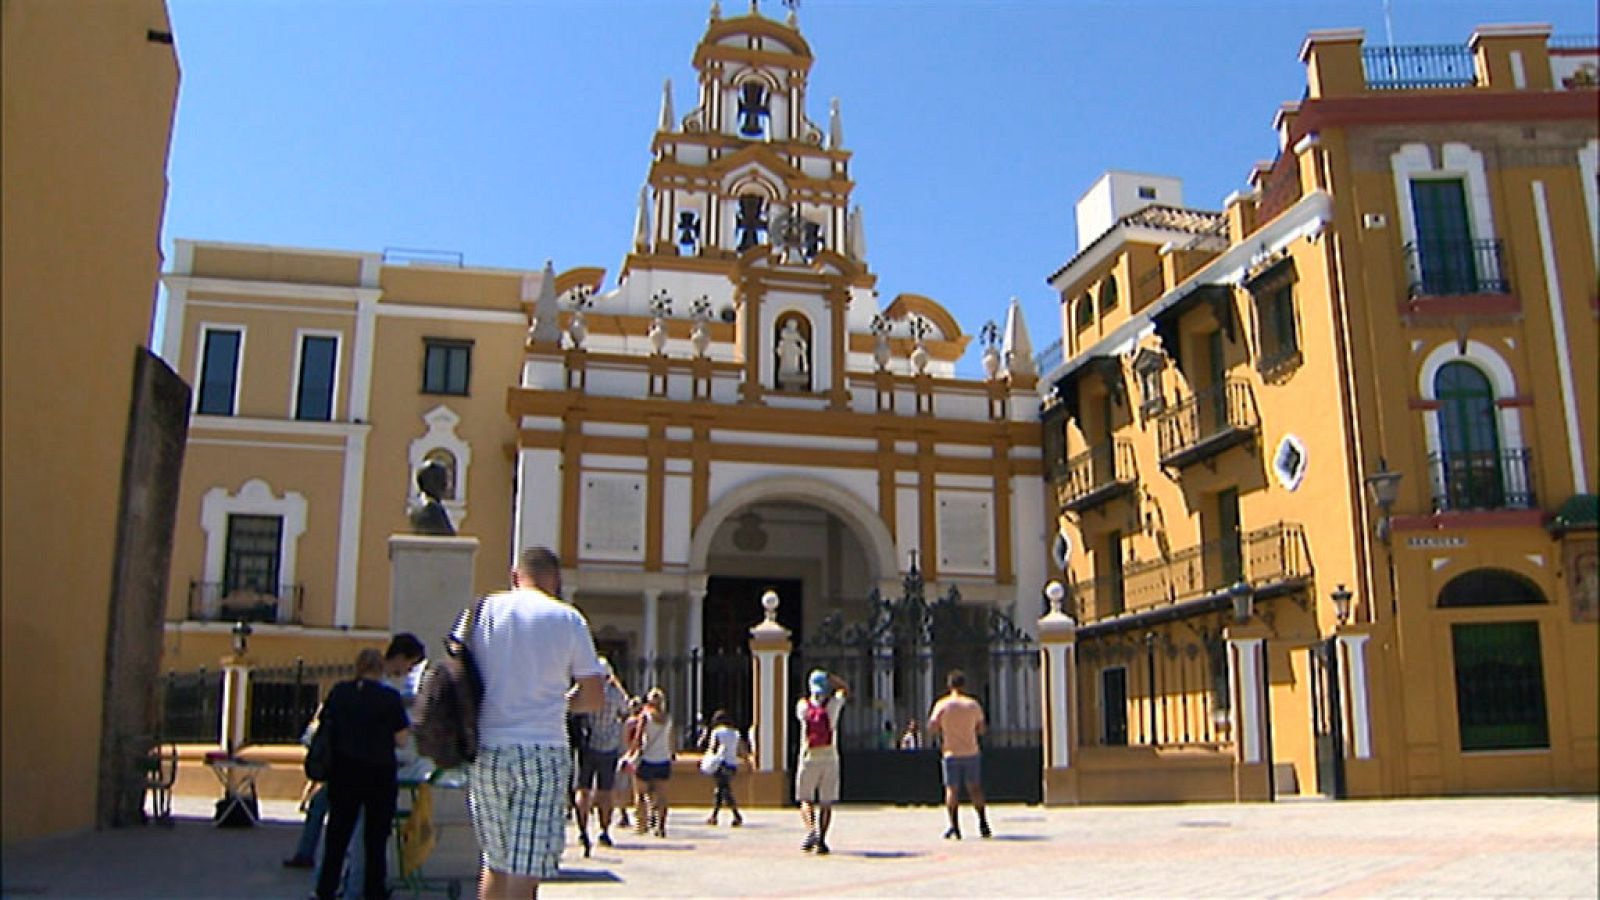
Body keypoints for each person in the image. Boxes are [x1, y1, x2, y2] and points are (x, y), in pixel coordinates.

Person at [468, 546, 604, 900]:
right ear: (555, 581)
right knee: (524, 870)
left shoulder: (482, 611)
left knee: (494, 863)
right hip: (543, 749)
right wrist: (561, 703)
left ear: (515, 576)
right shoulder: (567, 619)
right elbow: (593, 697)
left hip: (488, 747)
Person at [314, 648, 410, 900]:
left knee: (337, 836)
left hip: (343, 771)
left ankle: (326, 888)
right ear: (380, 669)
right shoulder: (389, 698)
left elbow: (325, 725)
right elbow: (401, 739)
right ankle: (373, 890)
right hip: (379, 773)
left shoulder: (339, 693)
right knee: (375, 839)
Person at [571, 657, 629, 855]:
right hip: (609, 747)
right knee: (606, 792)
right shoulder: (615, 694)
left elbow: (568, 705)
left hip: (587, 746)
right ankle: (604, 831)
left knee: (583, 790)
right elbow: (626, 711)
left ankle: (582, 830)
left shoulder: (585, 692)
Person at [927, 669, 990, 840]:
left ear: (949, 685)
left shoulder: (942, 705)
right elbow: (982, 728)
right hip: (971, 750)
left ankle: (955, 826)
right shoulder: (973, 705)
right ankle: (983, 822)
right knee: (975, 788)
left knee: (951, 790)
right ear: (964, 685)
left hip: (950, 752)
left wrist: (945, 729)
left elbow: (932, 727)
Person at [795, 669, 848, 855]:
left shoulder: (803, 705)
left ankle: (811, 831)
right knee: (826, 802)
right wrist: (833, 678)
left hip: (809, 755)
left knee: (805, 799)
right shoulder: (833, 703)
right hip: (830, 756)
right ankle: (822, 841)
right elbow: (845, 689)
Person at [631, 688, 674, 838]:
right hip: (663, 759)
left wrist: (631, 754)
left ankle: (641, 824)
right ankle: (660, 827)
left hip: (647, 759)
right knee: (661, 796)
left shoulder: (645, 716)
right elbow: (671, 740)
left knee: (640, 794)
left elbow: (638, 737)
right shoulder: (668, 718)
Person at [702, 710, 744, 827]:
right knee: (722, 790)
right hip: (731, 764)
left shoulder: (717, 732)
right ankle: (715, 816)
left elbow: (713, 748)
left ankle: (735, 815)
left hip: (721, 764)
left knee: (723, 791)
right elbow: (741, 749)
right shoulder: (735, 733)